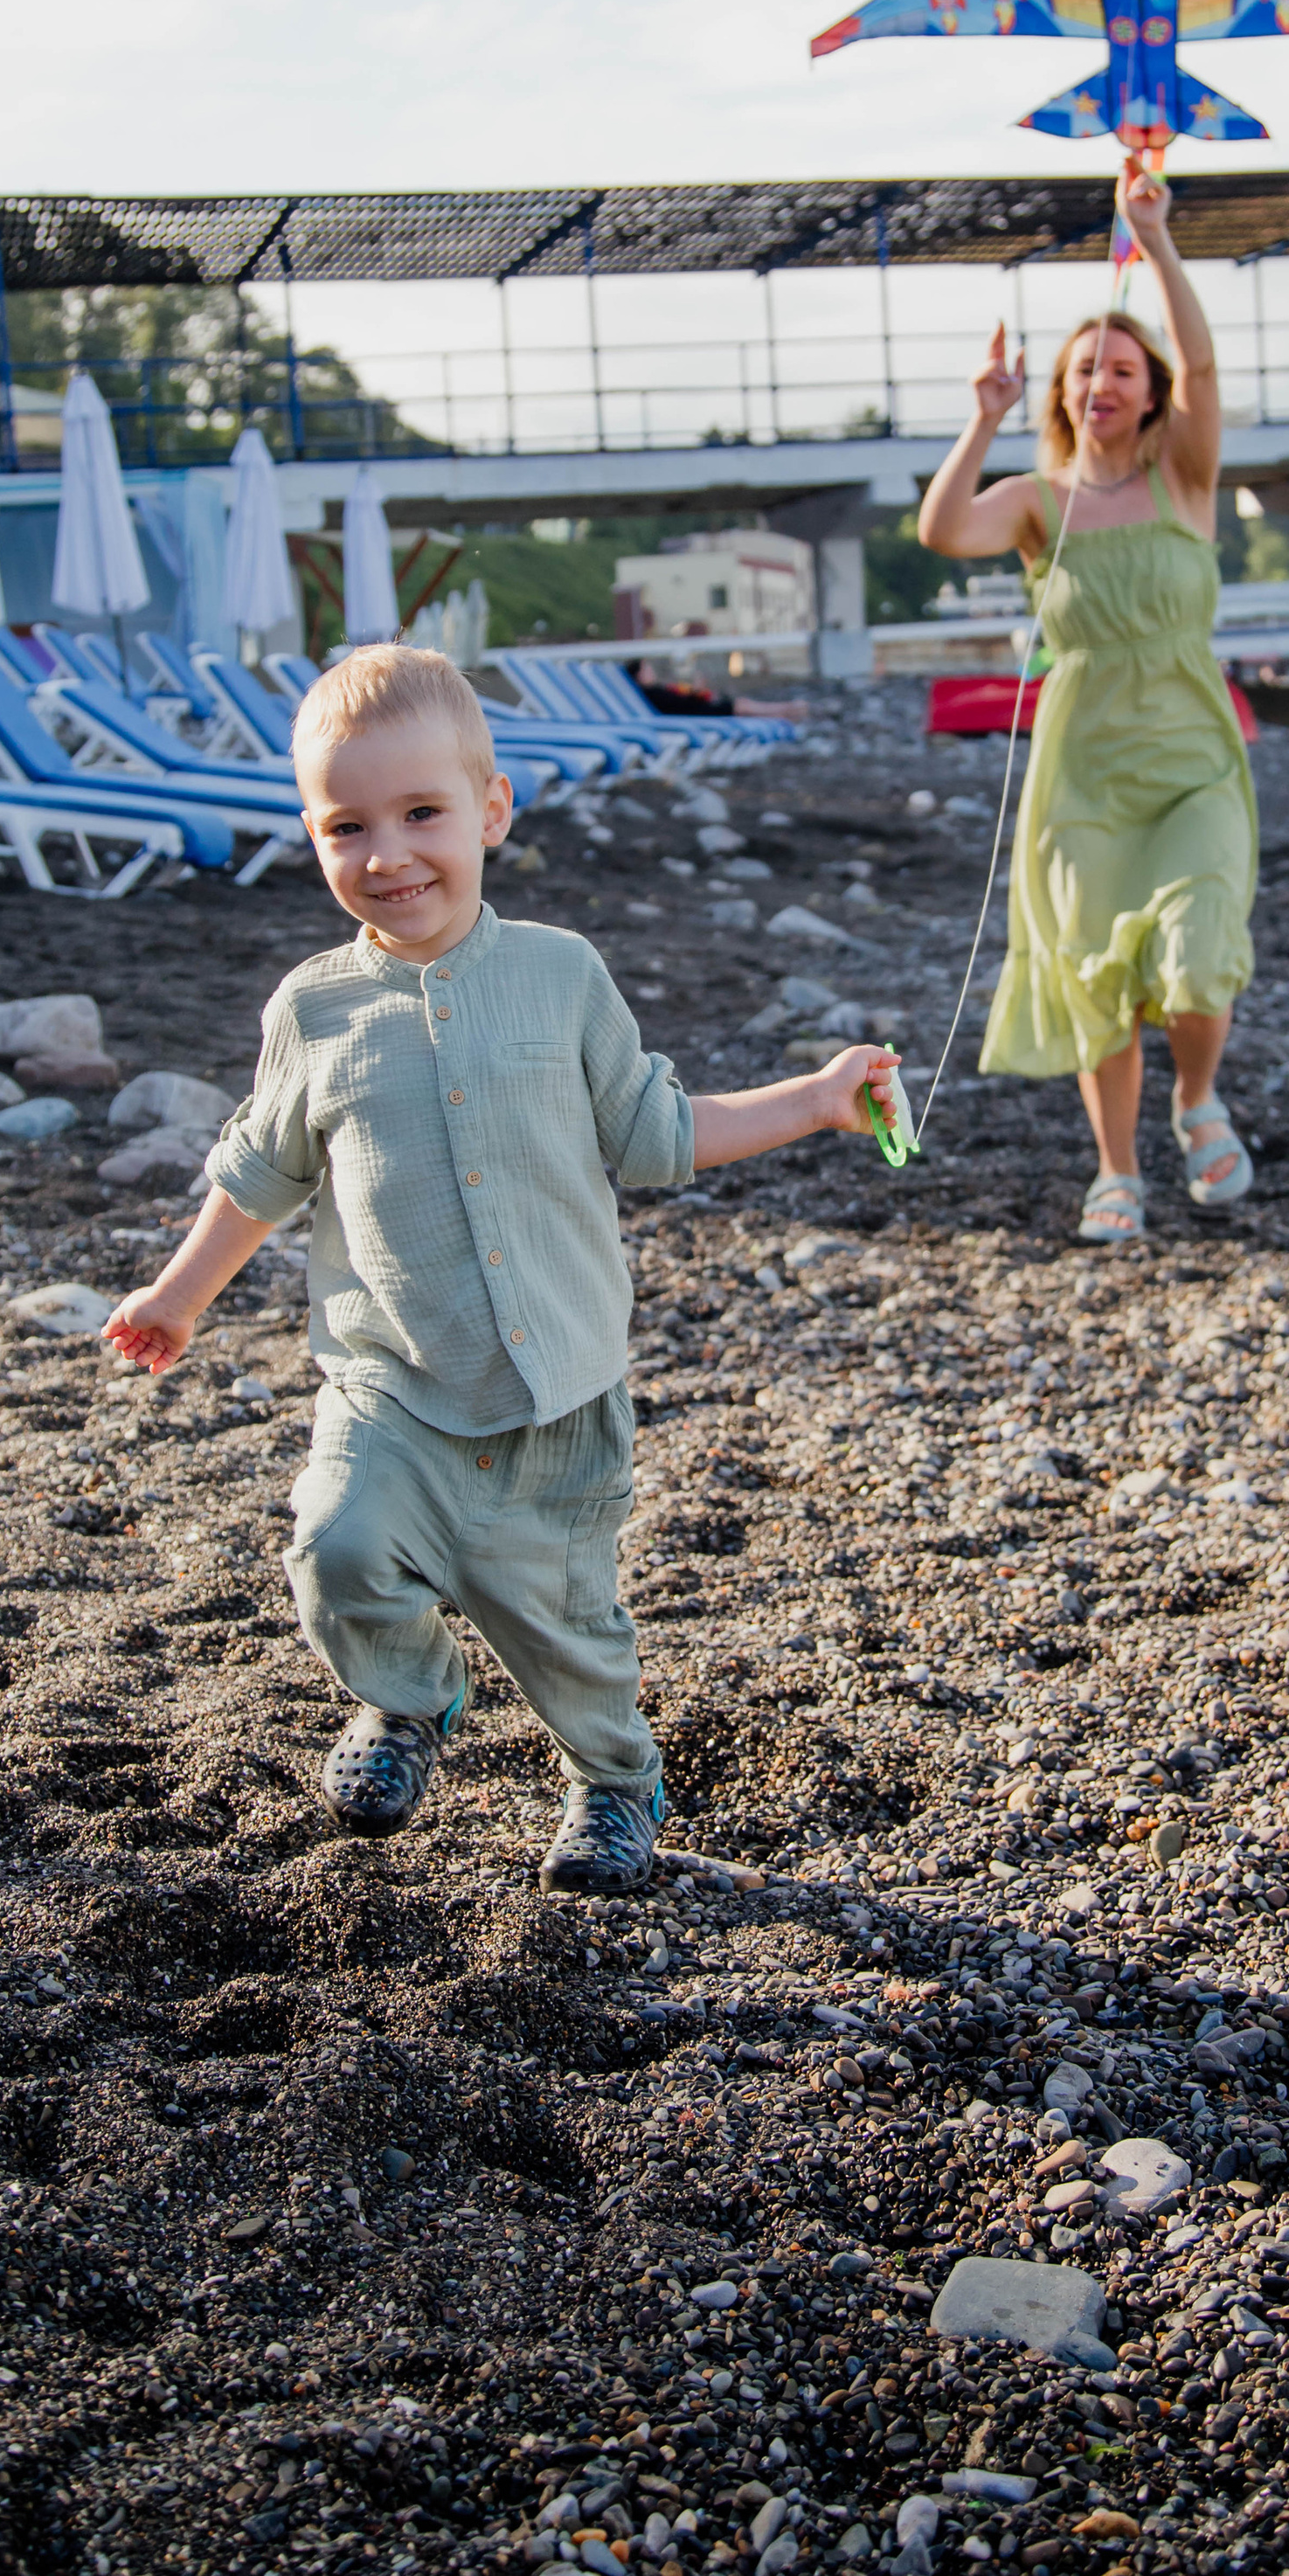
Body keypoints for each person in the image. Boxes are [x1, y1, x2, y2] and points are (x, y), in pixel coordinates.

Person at [100, 643, 897, 1895]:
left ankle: (616, 1783)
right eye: (345, 826)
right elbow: (259, 1174)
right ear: (312, 835)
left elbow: (659, 1134)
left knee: (565, 1630)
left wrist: (815, 1100)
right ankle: (408, 1699)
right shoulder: (314, 1009)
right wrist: (177, 1297)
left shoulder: (562, 975)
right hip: (392, 1383)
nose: (388, 855)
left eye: (421, 813)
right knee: (337, 1548)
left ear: (491, 810)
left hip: (558, 1395)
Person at [917, 152, 1257, 1244]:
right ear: (1060, 394)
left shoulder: (1184, 479)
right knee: (1095, 965)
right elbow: (938, 531)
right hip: (1081, 769)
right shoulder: (1035, 502)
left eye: (1120, 369)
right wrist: (983, 417)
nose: (1100, 383)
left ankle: (1195, 1098)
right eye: (1082, 372)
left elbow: (1202, 360)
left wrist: (1153, 237)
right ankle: (1117, 1169)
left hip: (1192, 751)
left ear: (1149, 390)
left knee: (1198, 935)